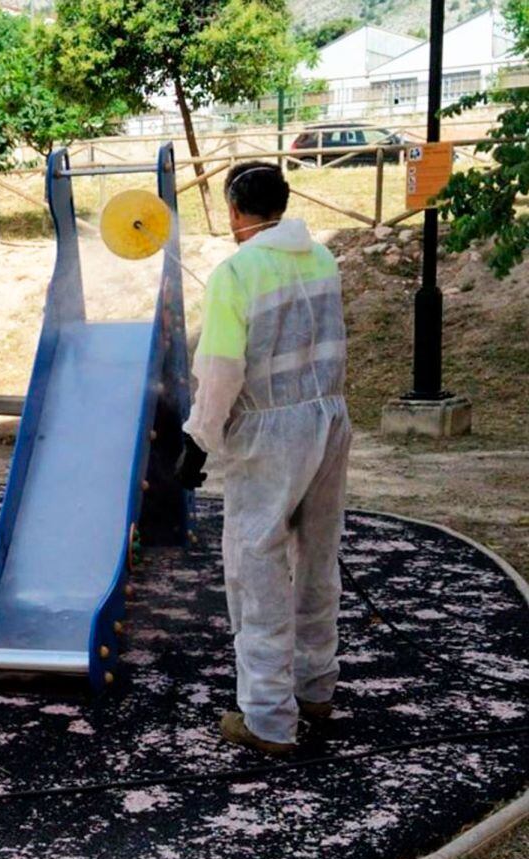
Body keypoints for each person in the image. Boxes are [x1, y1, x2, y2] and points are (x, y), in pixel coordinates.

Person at [175, 161, 352, 755]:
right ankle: (315, 688)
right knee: (319, 556)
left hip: (269, 435)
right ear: (283, 201)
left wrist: (198, 439)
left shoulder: (237, 272)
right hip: (329, 420)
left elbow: (222, 371)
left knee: (258, 567)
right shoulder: (322, 260)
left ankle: (269, 719)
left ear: (233, 210)